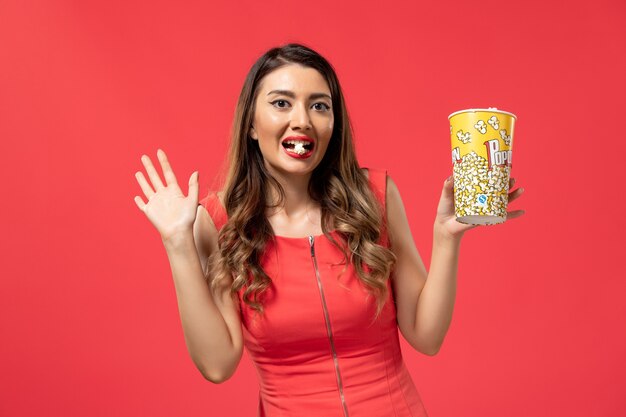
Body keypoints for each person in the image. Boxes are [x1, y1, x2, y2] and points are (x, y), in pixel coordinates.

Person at [133, 43, 525, 417]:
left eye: (319, 106)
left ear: (333, 123)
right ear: (252, 124)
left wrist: (446, 237)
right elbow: (217, 364)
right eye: (281, 103)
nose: (302, 120)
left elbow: (427, 336)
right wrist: (177, 245)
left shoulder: (374, 196)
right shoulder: (217, 222)